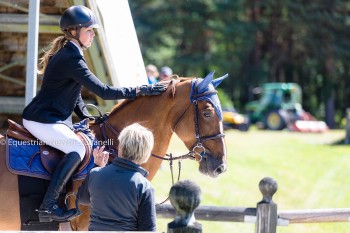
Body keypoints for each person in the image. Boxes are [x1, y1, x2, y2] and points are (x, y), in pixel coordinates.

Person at [21, 5, 166, 223]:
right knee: (77, 147)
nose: (93, 34)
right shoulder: (72, 58)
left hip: (52, 118)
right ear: (73, 32)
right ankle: (48, 206)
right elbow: (104, 91)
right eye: (89, 30)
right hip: (41, 120)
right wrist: (140, 90)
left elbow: (74, 93)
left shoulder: (71, 54)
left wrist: (85, 115)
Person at [77, 123, 156, 231]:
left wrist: (96, 166)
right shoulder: (144, 186)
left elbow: (83, 199)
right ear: (146, 153)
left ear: (120, 146)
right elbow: (148, 230)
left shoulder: (95, 173)